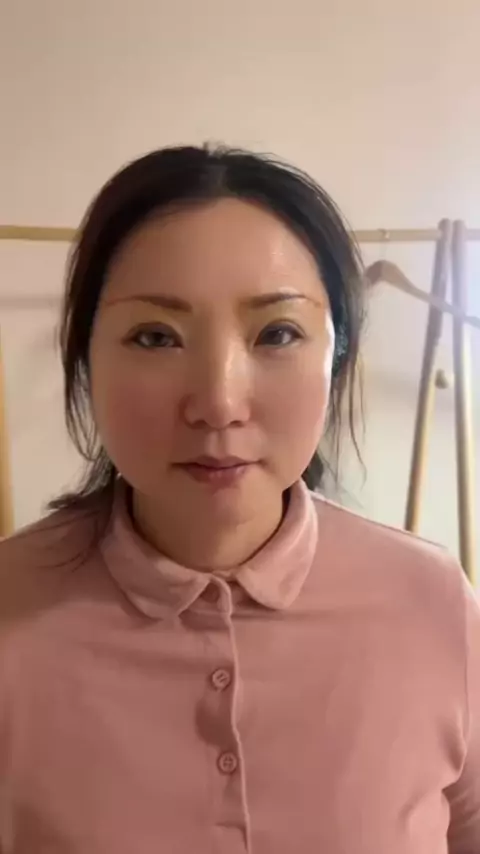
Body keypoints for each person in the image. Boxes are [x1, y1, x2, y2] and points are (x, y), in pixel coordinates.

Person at [0, 145, 478, 854]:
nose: (220, 403)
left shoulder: (432, 602)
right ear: (85, 360)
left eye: (278, 333)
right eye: (156, 336)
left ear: (337, 357)